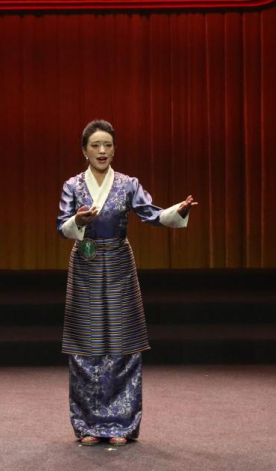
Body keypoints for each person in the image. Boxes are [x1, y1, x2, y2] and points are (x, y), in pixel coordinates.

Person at [56, 119, 197, 447]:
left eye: (107, 145)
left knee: (123, 341)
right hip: (86, 263)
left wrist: (178, 210)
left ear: (114, 149)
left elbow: (152, 214)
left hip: (119, 263)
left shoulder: (128, 184)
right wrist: (78, 220)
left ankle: (121, 422)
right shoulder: (72, 186)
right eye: (95, 145)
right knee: (85, 344)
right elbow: (62, 225)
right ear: (84, 150)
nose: (102, 150)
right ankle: (88, 424)